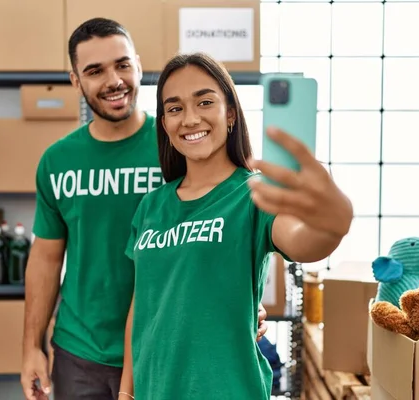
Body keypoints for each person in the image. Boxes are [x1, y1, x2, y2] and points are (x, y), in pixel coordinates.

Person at [20, 18, 269, 400]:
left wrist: (244, 306)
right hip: (81, 351)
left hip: (169, 353)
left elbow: (243, 225)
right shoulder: (57, 161)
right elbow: (46, 258)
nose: (114, 80)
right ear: (75, 81)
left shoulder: (185, 141)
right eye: (94, 71)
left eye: (122, 65)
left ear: (137, 65)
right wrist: (31, 346)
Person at [118, 53, 353, 400]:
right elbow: (143, 304)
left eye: (205, 101)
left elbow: (303, 241)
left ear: (229, 113)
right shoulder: (151, 205)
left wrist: (334, 222)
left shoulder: (254, 193)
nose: (190, 118)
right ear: (165, 123)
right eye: (175, 108)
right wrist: (127, 392)